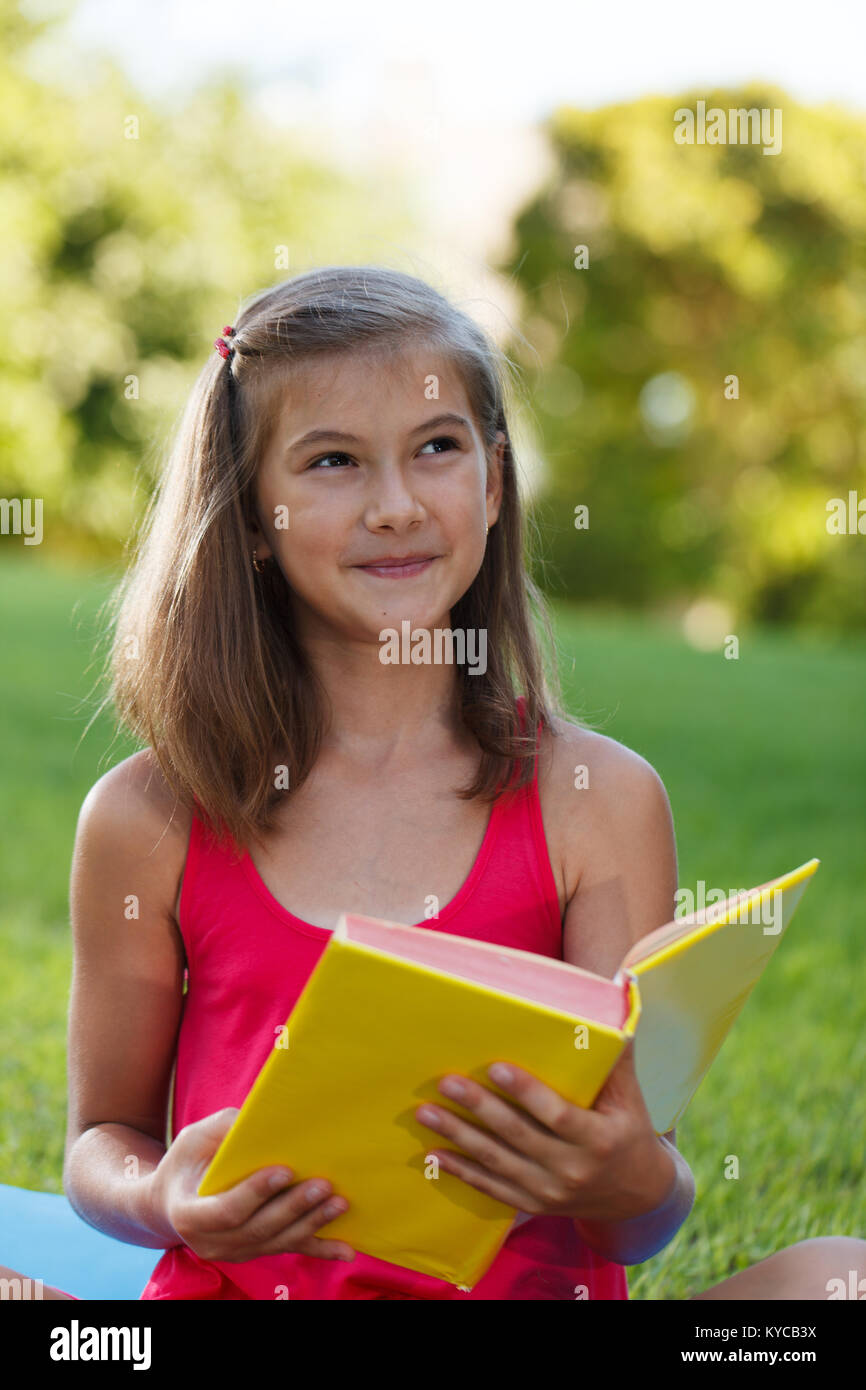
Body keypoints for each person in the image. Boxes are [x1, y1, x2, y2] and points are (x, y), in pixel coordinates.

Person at [12, 266, 865, 1301]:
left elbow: (642, 1215)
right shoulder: (148, 816)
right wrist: (164, 1201)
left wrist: (627, 1173)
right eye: (331, 460)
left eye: (436, 449)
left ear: (494, 483)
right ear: (248, 515)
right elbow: (104, 1139)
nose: (395, 505)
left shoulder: (595, 799)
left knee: (836, 1281)